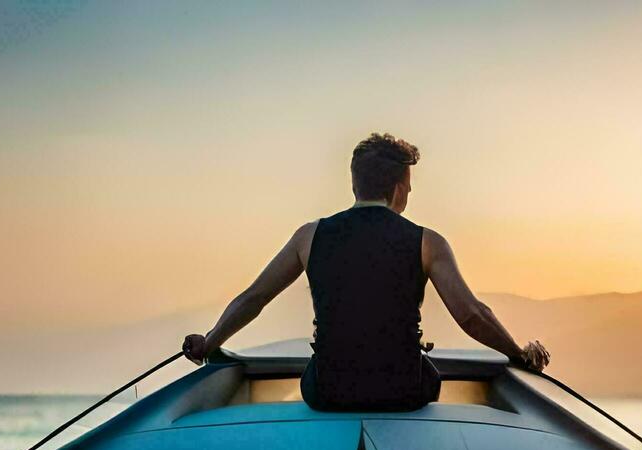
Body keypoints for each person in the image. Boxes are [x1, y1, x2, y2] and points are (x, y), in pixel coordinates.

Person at [182, 133, 550, 411]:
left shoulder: (308, 237)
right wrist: (519, 353)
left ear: (354, 183)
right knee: (427, 374)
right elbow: (471, 315)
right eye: (408, 186)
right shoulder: (428, 243)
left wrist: (209, 342)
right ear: (397, 189)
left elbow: (254, 298)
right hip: (404, 392)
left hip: (327, 393)